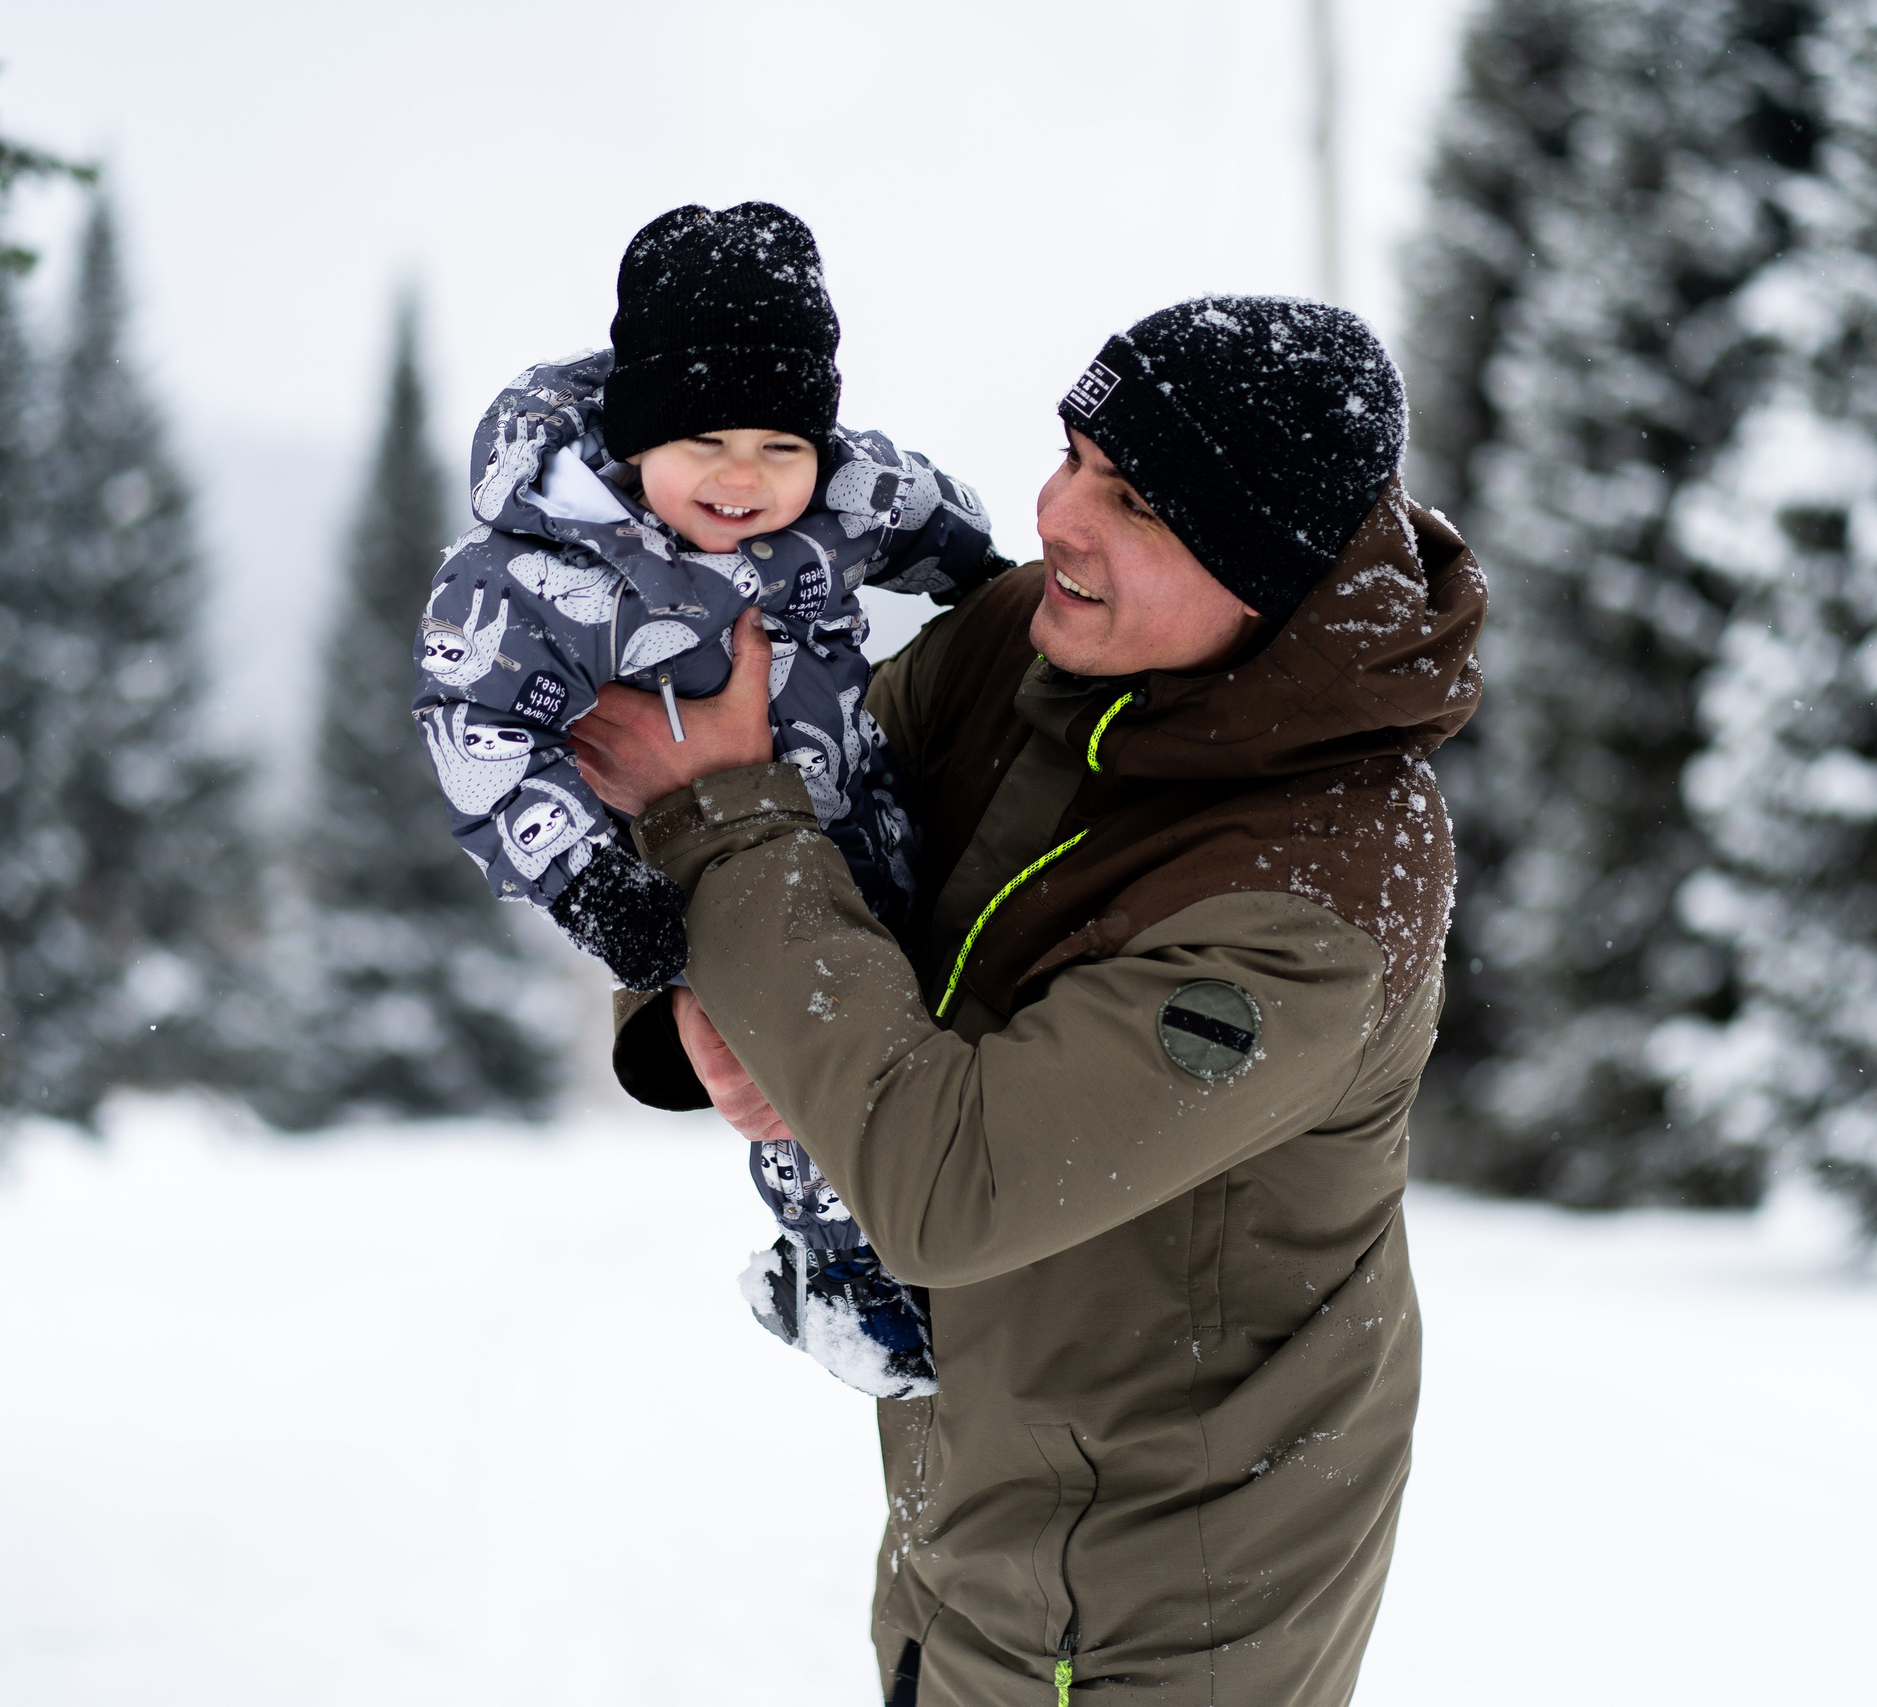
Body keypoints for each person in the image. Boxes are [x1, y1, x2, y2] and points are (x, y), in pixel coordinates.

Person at [574, 295, 1487, 1706]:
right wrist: (694, 1007)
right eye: (1072, 455)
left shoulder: (1315, 896)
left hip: (1163, 1610)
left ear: (1264, 569)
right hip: (977, 1499)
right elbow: (790, 799)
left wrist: (721, 826)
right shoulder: (1031, 643)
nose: (1057, 514)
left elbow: (949, 1179)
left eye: (1135, 501)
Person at [413, 201, 1002, 1398]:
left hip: (866, 826)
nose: (744, 478)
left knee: (921, 1044)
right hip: (708, 886)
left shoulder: (835, 498)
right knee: (793, 1081)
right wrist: (590, 884)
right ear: (637, 439)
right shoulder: (538, 573)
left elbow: (920, 512)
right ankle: (848, 1277)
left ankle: (941, 1260)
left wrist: (986, 585)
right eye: (705, 443)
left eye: (782, 446)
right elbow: (478, 733)